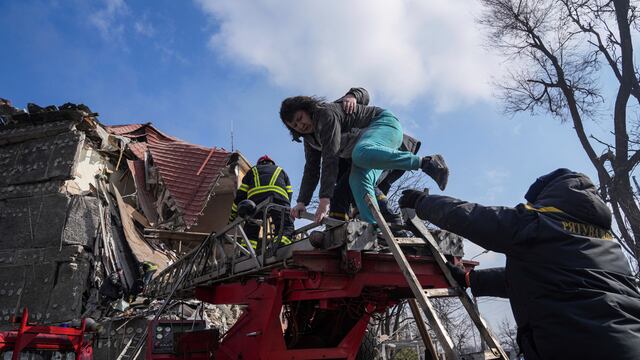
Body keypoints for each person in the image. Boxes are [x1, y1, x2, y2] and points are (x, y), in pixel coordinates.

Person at [399, 168, 640, 360]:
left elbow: (477, 218)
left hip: (578, 345)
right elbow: (547, 277)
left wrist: (422, 202)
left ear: (551, 194)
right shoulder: (607, 244)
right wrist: (472, 280)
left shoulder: (539, 223)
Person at [280, 87, 448, 224]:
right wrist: (302, 202)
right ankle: (375, 226)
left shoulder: (325, 114)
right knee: (357, 181)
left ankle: (427, 163)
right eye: (294, 125)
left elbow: (330, 157)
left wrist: (325, 200)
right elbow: (311, 169)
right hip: (368, 152)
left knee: (360, 154)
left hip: (383, 125)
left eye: (300, 118)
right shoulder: (311, 140)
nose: (300, 125)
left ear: (307, 110)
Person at [229, 155, 294, 251]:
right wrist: (286, 209)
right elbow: (289, 192)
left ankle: (246, 251)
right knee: (285, 224)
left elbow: (241, 195)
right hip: (278, 198)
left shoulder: (252, 171)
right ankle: (281, 243)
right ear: (272, 163)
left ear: (259, 163)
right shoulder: (281, 170)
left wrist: (232, 216)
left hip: (255, 202)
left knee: (251, 227)